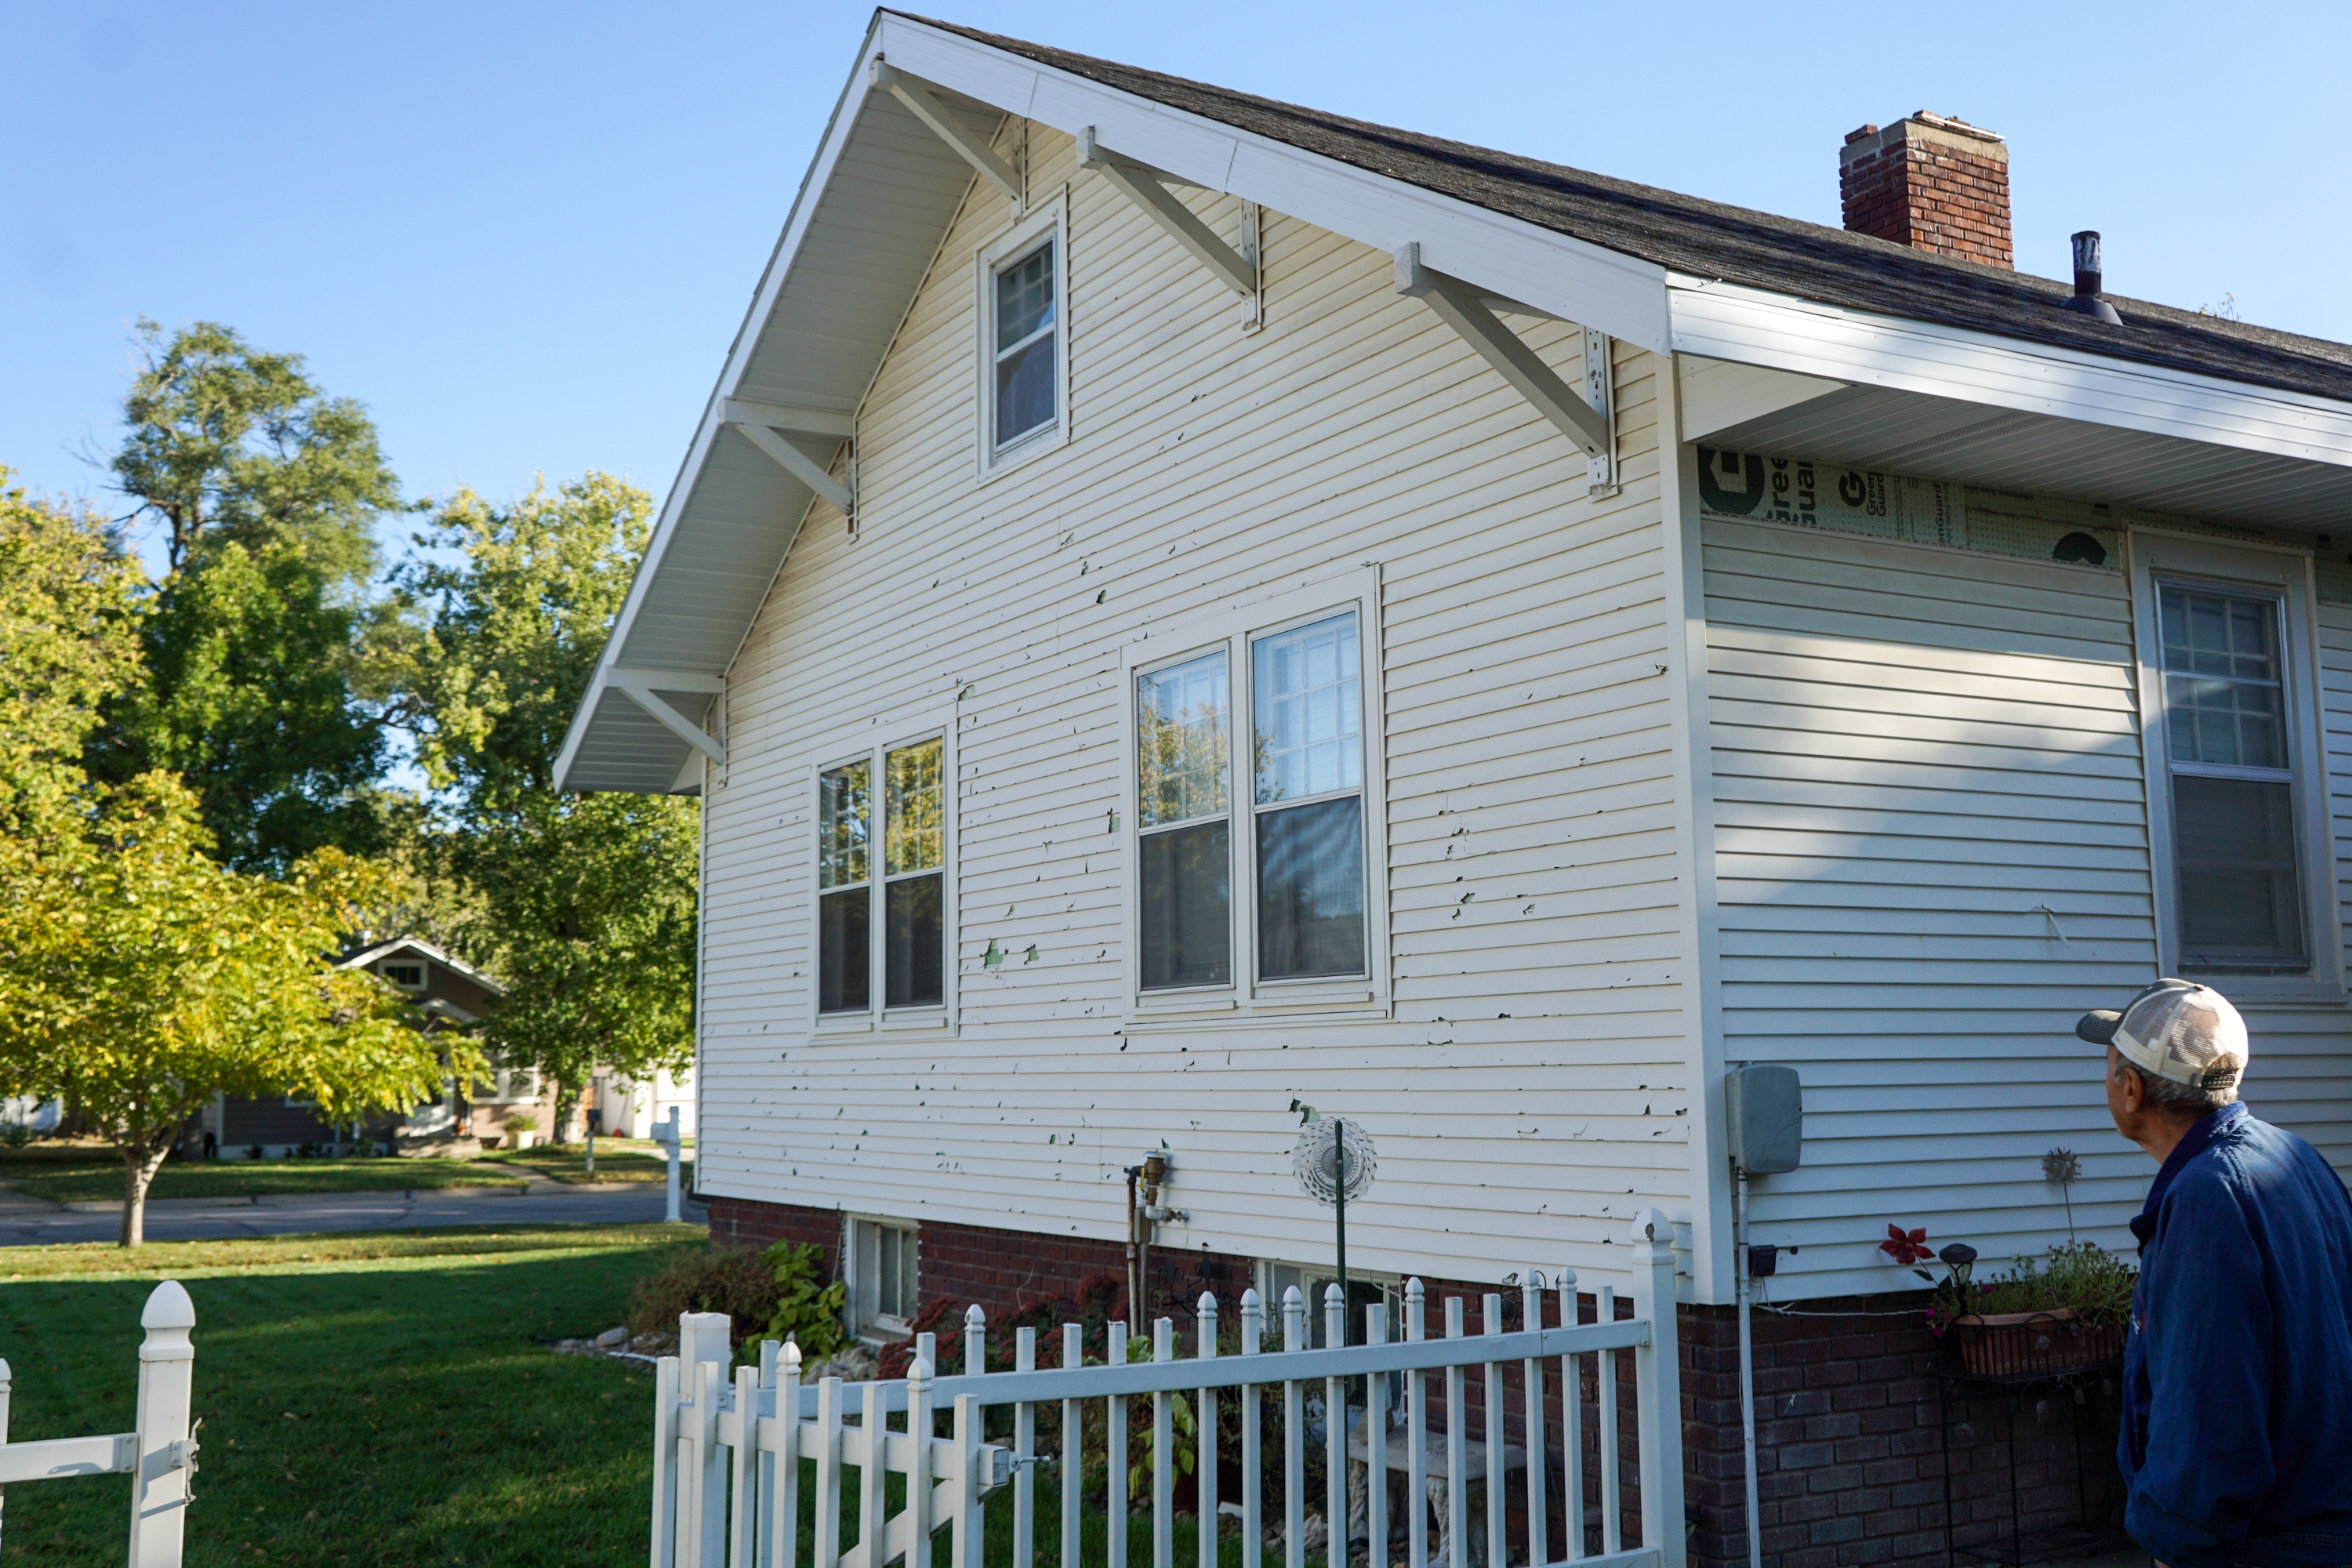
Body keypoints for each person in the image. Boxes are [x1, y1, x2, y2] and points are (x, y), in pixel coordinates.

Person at [2076, 979, 2352, 1568]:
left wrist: (2179, 1540)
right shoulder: (2294, 1155)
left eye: (2109, 1065)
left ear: (2131, 1089)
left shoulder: (2207, 1196)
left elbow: (2210, 1404)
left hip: (2273, 1543)